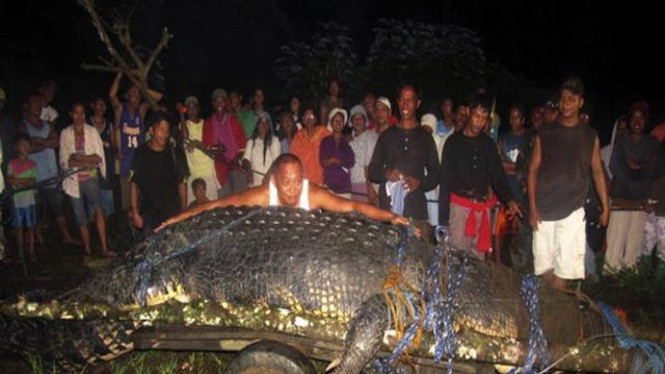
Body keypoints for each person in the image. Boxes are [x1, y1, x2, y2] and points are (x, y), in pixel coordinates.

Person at [156, 153, 410, 232]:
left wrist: (391, 217)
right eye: (286, 182)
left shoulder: (313, 195)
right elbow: (219, 204)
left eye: (298, 181)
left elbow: (354, 206)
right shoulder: (264, 194)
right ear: (275, 182)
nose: (293, 188)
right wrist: (178, 218)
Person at [528, 78, 609, 289]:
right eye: (563, 99)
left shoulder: (589, 135)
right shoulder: (546, 132)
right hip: (544, 208)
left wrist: (605, 207)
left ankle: (553, 316)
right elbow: (533, 169)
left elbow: (598, 172)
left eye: (571, 99)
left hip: (572, 209)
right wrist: (533, 206)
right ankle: (548, 310)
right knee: (544, 267)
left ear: (580, 102)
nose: (566, 103)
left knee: (564, 267)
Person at [439, 95, 522, 259]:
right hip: (459, 212)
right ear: (469, 112)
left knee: (477, 264)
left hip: (481, 212)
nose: (480, 122)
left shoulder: (489, 145)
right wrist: (443, 220)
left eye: (484, 118)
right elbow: (445, 183)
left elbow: (497, 176)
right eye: (477, 116)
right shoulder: (453, 143)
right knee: (455, 260)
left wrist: (510, 200)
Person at [368, 85, 440, 228]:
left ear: (418, 103)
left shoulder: (425, 137)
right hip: (388, 211)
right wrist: (387, 174)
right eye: (402, 99)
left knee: (415, 250)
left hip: (416, 210)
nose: (405, 104)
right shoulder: (387, 136)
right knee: (387, 250)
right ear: (398, 102)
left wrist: (419, 183)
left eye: (410, 100)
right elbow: (373, 171)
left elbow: (436, 174)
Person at [604, 101, 660, 272]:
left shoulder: (653, 144)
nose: (637, 121)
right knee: (614, 248)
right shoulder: (622, 141)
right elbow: (615, 167)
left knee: (633, 250)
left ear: (646, 121)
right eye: (634, 118)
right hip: (621, 201)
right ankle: (610, 286)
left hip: (640, 204)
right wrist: (637, 171)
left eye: (641, 118)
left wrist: (638, 166)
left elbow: (655, 169)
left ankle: (628, 288)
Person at [20, 93, 80, 247]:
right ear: (27, 105)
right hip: (32, 175)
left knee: (57, 205)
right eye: (34, 103)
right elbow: (27, 148)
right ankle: (37, 241)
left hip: (51, 174)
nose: (38, 106)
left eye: (40, 104)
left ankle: (66, 236)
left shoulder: (48, 124)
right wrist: (45, 143)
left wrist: (38, 142)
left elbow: (56, 143)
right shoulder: (23, 125)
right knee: (36, 209)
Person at [60, 103, 115, 257]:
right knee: (80, 215)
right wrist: (86, 160)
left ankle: (104, 248)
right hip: (73, 180)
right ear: (71, 114)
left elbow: (98, 158)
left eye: (82, 113)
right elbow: (65, 161)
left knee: (98, 209)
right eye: (76, 113)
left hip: (90, 178)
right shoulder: (65, 133)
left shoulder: (91, 132)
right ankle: (88, 250)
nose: (79, 116)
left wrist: (77, 157)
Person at [109, 72, 162, 211]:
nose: (135, 95)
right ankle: (131, 228)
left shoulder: (142, 110)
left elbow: (158, 97)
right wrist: (119, 75)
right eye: (132, 92)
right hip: (125, 160)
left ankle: (143, 226)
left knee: (141, 198)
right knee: (128, 202)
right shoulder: (121, 110)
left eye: (138, 93)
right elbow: (112, 95)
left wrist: (141, 86)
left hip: (140, 160)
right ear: (126, 95)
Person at [129, 112, 187, 236]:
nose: (165, 134)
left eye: (167, 130)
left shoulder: (175, 152)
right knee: (150, 250)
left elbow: (182, 183)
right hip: (149, 214)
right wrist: (135, 212)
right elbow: (134, 184)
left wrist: (184, 211)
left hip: (172, 212)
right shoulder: (141, 153)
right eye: (161, 129)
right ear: (151, 130)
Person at [203, 88, 247, 198]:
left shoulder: (234, 120)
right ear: (213, 103)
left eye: (222, 101)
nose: (219, 104)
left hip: (236, 167)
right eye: (216, 101)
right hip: (220, 169)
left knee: (240, 201)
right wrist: (217, 148)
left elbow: (243, 144)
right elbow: (207, 146)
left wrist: (236, 160)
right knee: (225, 202)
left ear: (226, 103)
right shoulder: (208, 123)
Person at [181, 96, 218, 203]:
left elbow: (211, 149)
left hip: (208, 172)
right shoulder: (184, 125)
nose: (192, 110)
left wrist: (196, 143)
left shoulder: (206, 124)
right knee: (193, 211)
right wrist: (181, 114)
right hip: (194, 174)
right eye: (189, 108)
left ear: (198, 109)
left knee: (211, 208)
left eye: (194, 107)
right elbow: (184, 135)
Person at [7, 134, 38, 263]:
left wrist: (18, 181)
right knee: (19, 228)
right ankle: (20, 253)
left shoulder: (32, 164)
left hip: (30, 200)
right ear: (16, 147)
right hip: (17, 201)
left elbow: (33, 181)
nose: (25, 147)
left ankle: (31, 251)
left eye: (27, 145)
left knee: (31, 227)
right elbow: (10, 180)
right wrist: (24, 181)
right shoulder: (12, 164)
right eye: (22, 145)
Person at [89, 97, 115, 217]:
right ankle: (93, 217)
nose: (101, 108)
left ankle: (108, 217)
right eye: (98, 105)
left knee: (107, 189)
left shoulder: (109, 124)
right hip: (91, 164)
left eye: (103, 105)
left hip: (107, 162)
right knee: (92, 188)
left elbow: (113, 144)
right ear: (93, 106)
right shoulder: (87, 124)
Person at [320, 108, 355, 198]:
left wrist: (335, 160)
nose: (338, 123)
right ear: (331, 123)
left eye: (341, 121)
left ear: (344, 124)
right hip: (329, 187)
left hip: (344, 187)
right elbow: (322, 162)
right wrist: (334, 160)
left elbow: (351, 162)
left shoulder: (347, 141)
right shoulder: (325, 141)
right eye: (336, 120)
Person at [290, 108, 330, 185]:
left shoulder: (324, 132)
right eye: (306, 117)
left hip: (325, 181)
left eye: (311, 116)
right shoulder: (298, 137)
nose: (309, 119)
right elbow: (293, 158)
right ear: (303, 120)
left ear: (315, 119)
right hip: (307, 182)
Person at [348, 105, 378, 204]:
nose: (357, 121)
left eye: (360, 118)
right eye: (355, 118)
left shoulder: (371, 136)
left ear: (365, 120)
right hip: (354, 187)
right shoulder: (350, 142)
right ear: (351, 122)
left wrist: (370, 188)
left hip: (368, 187)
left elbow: (369, 164)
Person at [498, 105, 527, 203]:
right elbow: (498, 165)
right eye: (511, 117)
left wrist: (509, 167)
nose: (513, 120)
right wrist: (519, 167)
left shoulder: (529, 139)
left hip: (523, 191)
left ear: (523, 119)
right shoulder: (503, 139)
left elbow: (530, 166)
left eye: (517, 117)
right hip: (507, 191)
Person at [242, 115, 281, 187]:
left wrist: (268, 176)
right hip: (254, 184)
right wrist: (248, 170)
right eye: (261, 123)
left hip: (270, 182)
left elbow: (277, 161)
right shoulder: (251, 141)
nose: (264, 125)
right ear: (257, 125)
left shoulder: (274, 140)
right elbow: (245, 160)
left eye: (266, 123)